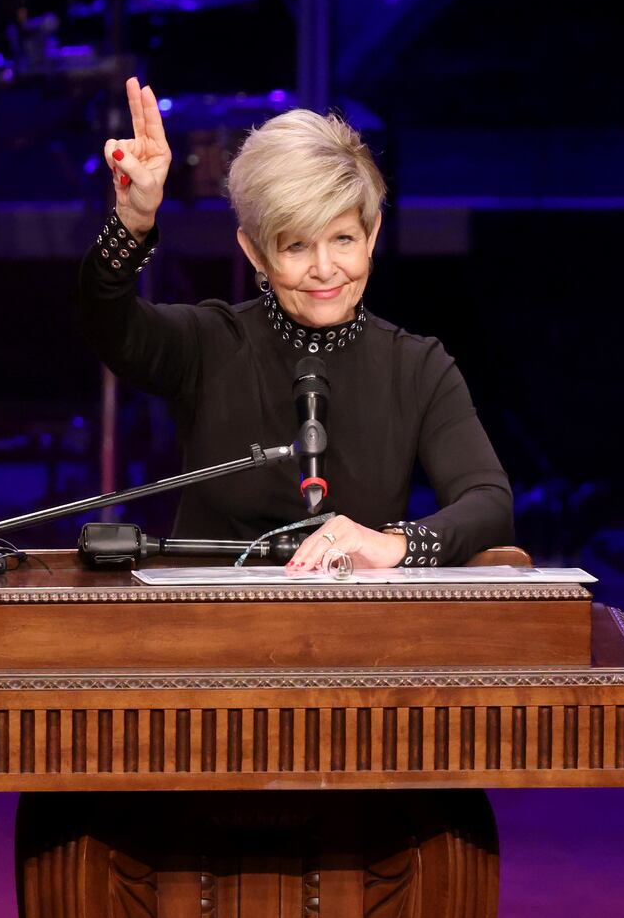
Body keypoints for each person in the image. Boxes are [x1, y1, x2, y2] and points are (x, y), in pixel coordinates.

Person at [78, 78, 514, 570]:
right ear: (255, 253)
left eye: (344, 239)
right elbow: (106, 321)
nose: (325, 269)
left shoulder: (417, 366)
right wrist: (132, 223)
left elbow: (489, 503)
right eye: (297, 245)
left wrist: (396, 544)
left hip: (355, 618)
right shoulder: (208, 344)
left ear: (372, 235)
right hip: (212, 616)